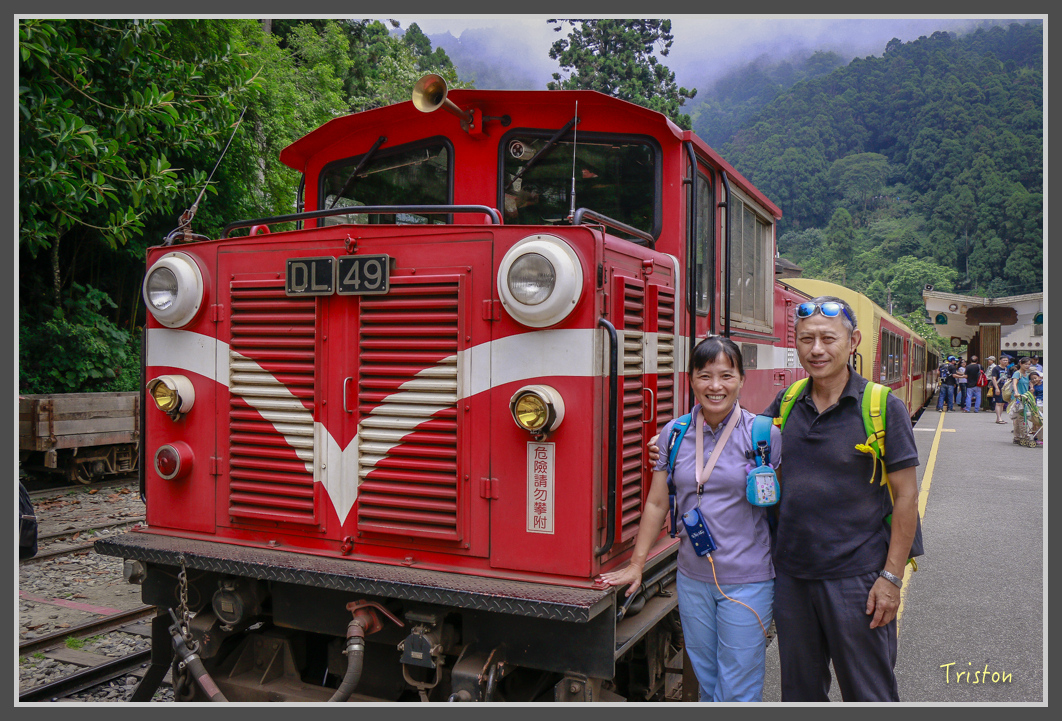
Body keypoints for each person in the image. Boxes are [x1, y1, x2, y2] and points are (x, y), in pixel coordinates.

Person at [599, 336, 782, 702]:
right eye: (705, 376)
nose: (716, 386)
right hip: (692, 577)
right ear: (691, 380)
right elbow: (655, 503)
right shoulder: (674, 434)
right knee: (707, 677)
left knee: (739, 687)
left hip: (747, 580)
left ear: (742, 380)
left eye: (726, 376)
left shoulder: (764, 435)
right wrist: (637, 564)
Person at [763, 296, 919, 701]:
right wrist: (673, 438)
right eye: (806, 339)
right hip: (794, 579)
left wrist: (891, 578)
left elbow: (906, 497)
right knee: (800, 695)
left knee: (869, 695)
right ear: (794, 343)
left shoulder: (883, 406)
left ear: (853, 342)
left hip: (859, 581)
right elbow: (734, 434)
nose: (817, 349)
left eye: (828, 338)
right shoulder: (787, 401)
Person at [1009, 357, 1037, 446]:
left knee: (1018, 419)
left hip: (1026, 398)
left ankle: (1017, 437)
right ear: (1020, 364)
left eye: (1029, 364)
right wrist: (1016, 392)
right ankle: (1025, 436)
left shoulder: (1027, 374)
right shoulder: (1017, 373)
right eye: (1026, 364)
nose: (1027, 366)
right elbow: (1014, 383)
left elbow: (1030, 382)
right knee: (1021, 417)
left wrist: (1032, 387)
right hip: (1018, 399)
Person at [990, 356, 1010, 424]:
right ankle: (999, 418)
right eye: (1004, 360)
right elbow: (993, 378)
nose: (1005, 361)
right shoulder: (996, 368)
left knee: (1002, 403)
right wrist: (996, 388)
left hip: (1005, 388)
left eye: (1006, 360)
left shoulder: (1007, 369)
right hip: (998, 387)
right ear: (1000, 361)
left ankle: (999, 418)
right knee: (998, 403)